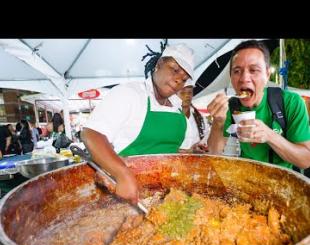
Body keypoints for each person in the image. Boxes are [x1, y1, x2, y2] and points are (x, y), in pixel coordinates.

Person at [82, 42, 194, 205]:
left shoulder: (180, 114)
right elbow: (91, 134)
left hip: (167, 198)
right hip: (124, 196)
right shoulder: (130, 94)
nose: (178, 80)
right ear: (159, 64)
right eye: (174, 69)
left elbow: (181, 155)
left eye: (184, 79)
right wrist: (122, 174)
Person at [207, 39, 310, 170]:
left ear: (267, 75)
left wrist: (269, 135)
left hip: (282, 180)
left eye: (253, 70)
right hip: (246, 177)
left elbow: (306, 160)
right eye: (237, 71)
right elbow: (214, 152)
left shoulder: (290, 102)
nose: (244, 78)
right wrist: (218, 122)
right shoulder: (231, 106)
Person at [177, 79, 210, 153]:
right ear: (175, 94)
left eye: (190, 92)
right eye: (182, 93)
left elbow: (206, 137)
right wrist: (189, 151)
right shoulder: (170, 116)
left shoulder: (200, 118)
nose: (187, 95)